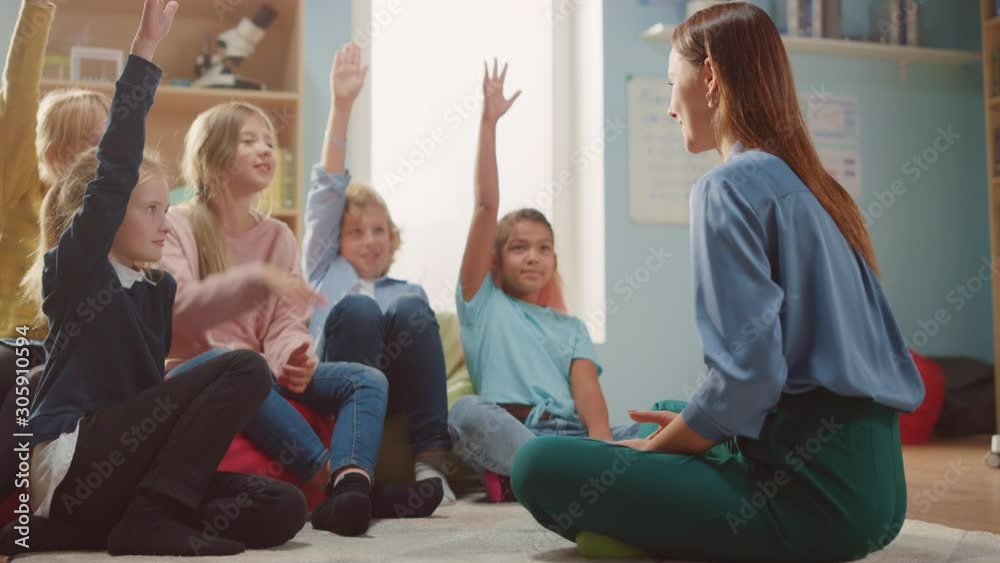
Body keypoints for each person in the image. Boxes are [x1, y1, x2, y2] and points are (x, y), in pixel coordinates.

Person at [511, 4, 924, 561]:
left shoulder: (727, 185)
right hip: (879, 499)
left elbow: (748, 377)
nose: (669, 106)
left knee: (536, 464)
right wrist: (694, 425)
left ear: (708, 77)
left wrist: (659, 450)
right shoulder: (815, 188)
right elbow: (782, 379)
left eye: (671, 83)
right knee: (671, 408)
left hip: (815, 503)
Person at [0, 1, 306, 556]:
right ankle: (150, 518)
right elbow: (116, 169)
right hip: (70, 459)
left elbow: (148, 391)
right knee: (244, 365)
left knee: (282, 506)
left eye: (167, 209)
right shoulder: (78, 270)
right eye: (150, 210)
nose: (166, 224)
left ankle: (101, 527)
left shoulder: (156, 289)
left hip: (120, 472)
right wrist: (144, 49)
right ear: (107, 213)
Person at [448, 59, 638, 503]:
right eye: (519, 247)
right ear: (496, 261)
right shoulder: (482, 304)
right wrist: (488, 123)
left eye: (543, 248)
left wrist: (603, 443)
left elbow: (587, 391)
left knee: (662, 424)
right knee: (465, 412)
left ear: (554, 259)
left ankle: (554, 474)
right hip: (517, 432)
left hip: (574, 437)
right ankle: (553, 472)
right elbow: (485, 207)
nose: (533, 256)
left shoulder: (571, 328)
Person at [303, 42, 455, 505]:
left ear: (393, 237)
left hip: (396, 386)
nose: (370, 240)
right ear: (335, 241)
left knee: (412, 305)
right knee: (359, 308)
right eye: (355, 232)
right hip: (339, 378)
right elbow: (327, 191)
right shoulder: (323, 268)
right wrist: (342, 106)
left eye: (379, 230)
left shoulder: (406, 292)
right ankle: (353, 465)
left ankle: (431, 464)